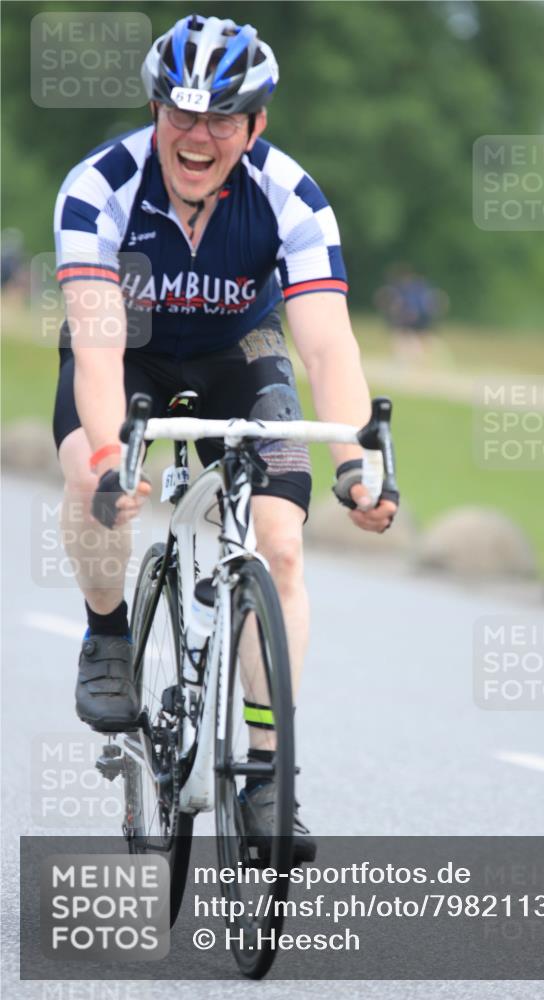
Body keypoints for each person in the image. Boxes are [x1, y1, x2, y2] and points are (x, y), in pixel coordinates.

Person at [52, 14, 398, 845]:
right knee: (90, 476)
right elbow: (96, 350)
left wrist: (357, 462)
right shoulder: (99, 186)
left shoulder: (291, 195)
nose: (197, 136)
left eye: (220, 119)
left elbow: (328, 345)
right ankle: (107, 635)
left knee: (280, 545)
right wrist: (113, 458)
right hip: (128, 356)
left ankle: (268, 776)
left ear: (255, 124)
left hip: (241, 355)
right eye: (181, 113)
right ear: (155, 109)